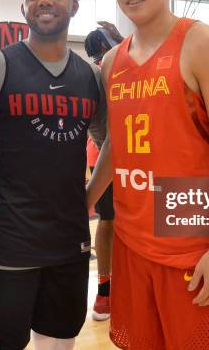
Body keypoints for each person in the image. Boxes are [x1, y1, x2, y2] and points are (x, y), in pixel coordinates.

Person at [86, 0, 209, 349]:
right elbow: (116, 144)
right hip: (130, 240)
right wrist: (86, 199)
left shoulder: (204, 44)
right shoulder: (111, 63)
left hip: (190, 243)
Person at [0, 0, 106, 350]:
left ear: (74, 5)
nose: (45, 0)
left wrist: (86, 199)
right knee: (5, 344)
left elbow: (110, 143)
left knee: (59, 341)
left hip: (70, 244)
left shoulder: (92, 77)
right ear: (24, 9)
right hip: (9, 244)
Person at [84, 26, 121, 321]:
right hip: (117, 157)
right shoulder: (115, 68)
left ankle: (104, 293)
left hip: (99, 156)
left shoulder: (91, 72)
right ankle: (109, 292)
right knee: (123, 223)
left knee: (108, 222)